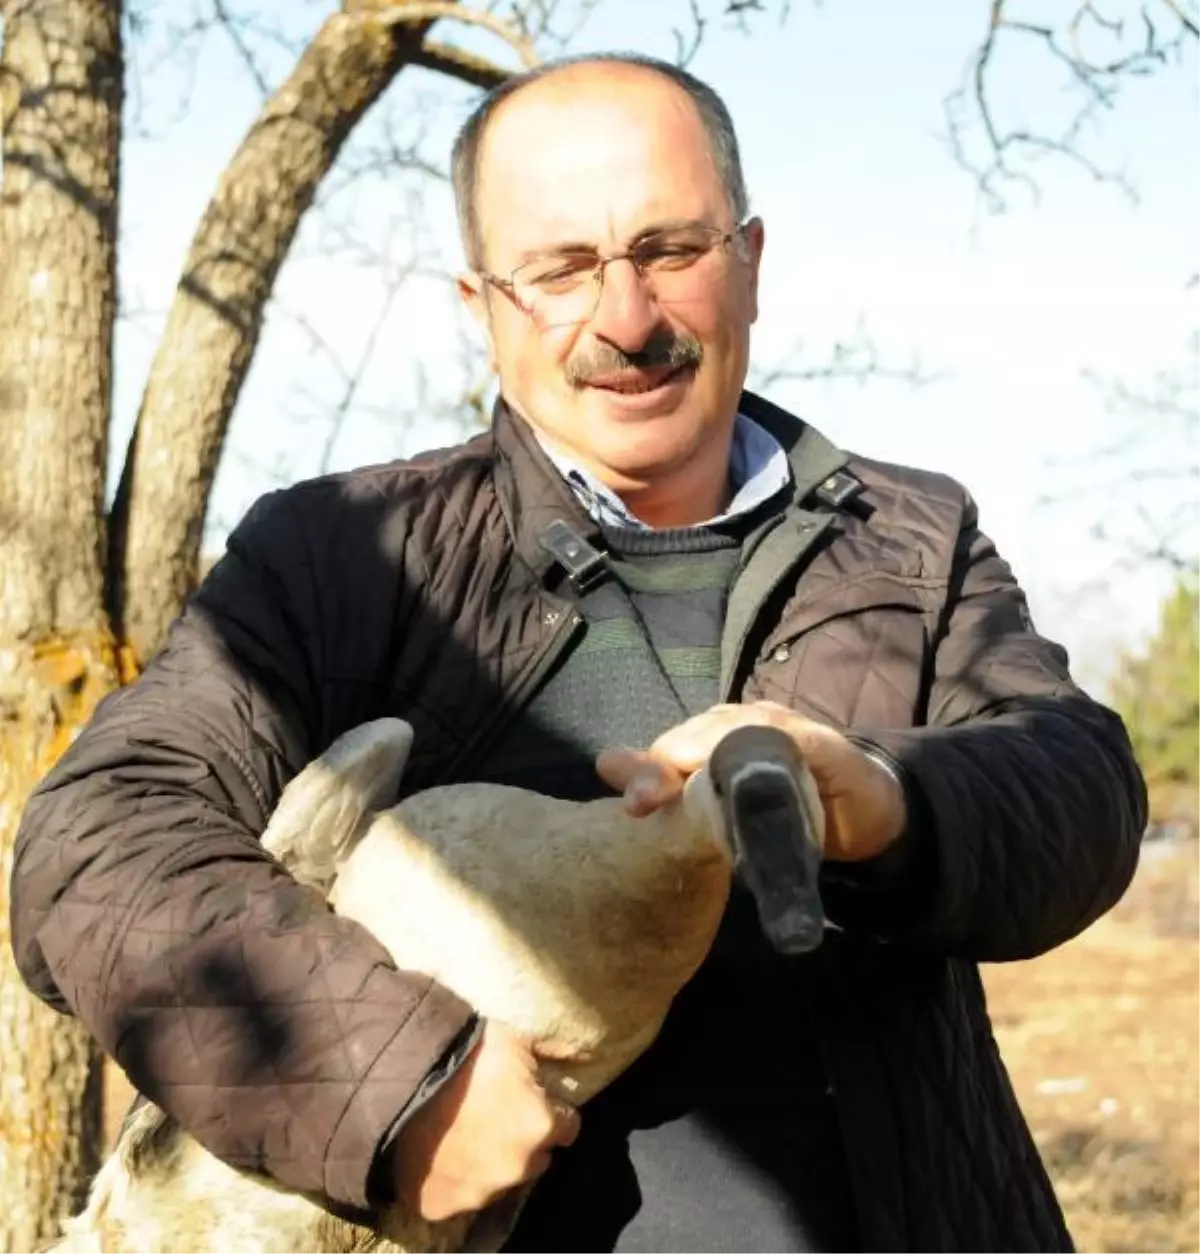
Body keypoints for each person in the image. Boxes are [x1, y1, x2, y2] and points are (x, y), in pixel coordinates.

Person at [10, 53, 1146, 1254]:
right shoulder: (343, 559)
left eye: (669, 250)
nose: (625, 318)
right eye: (560, 270)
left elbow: (1082, 792)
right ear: (481, 303)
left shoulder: (908, 539)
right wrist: (396, 1089)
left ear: (749, 260)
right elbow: (97, 842)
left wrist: (879, 791)